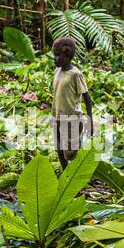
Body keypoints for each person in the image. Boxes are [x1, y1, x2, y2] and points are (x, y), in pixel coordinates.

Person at [51, 36, 93, 169]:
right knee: (59, 149)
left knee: (70, 153)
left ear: (67, 55)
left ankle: (79, 171)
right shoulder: (57, 71)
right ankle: (66, 174)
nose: (54, 59)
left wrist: (89, 119)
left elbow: (86, 97)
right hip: (57, 117)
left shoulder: (75, 74)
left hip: (72, 119)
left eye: (57, 55)